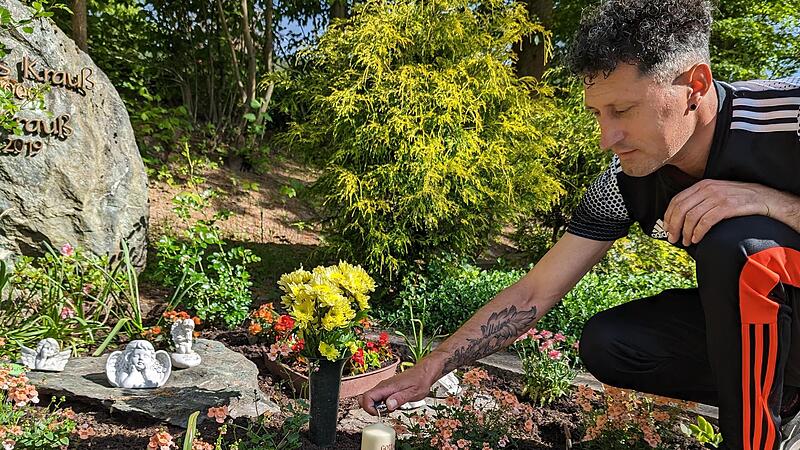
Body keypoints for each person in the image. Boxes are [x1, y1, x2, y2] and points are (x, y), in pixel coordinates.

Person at [359, 1, 800, 449]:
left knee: (740, 247)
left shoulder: (790, 116)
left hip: (765, 280)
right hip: (779, 334)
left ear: (695, 85)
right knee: (610, 343)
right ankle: (785, 401)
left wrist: (773, 203)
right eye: (598, 114)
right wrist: (428, 369)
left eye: (624, 110)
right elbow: (535, 292)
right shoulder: (624, 180)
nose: (608, 137)